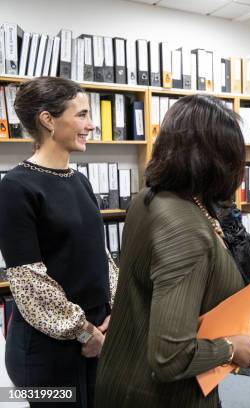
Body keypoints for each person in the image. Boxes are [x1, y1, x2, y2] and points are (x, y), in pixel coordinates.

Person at [95, 94, 250, 408]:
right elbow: (169, 356)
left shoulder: (150, 199)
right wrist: (231, 349)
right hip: (163, 397)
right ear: (217, 159)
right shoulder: (185, 228)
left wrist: (237, 302)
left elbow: (163, 290)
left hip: (124, 374)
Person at [0, 77, 118, 407]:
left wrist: (114, 313)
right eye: (81, 115)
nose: (91, 125)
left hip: (96, 336)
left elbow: (102, 256)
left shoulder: (80, 181)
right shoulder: (16, 186)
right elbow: (28, 283)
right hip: (46, 351)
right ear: (48, 120)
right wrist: (85, 332)